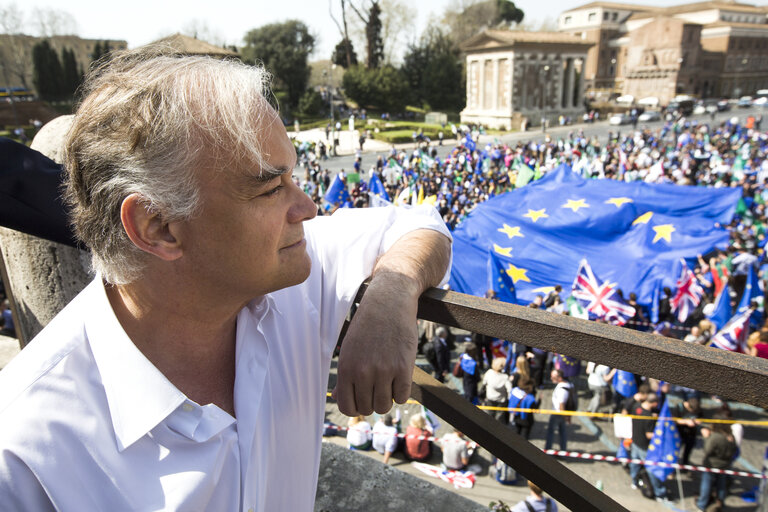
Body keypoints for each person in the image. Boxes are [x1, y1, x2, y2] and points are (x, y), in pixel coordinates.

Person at [0, 49, 452, 511]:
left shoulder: (289, 278)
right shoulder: (22, 457)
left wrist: (392, 292)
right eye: (271, 188)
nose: (307, 209)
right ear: (158, 226)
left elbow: (419, 224)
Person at [629, 393, 669, 502]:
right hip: (644, 447)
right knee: (652, 469)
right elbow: (649, 435)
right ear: (655, 403)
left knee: (634, 464)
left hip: (635, 441)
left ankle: (634, 481)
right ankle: (659, 492)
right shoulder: (649, 417)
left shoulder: (636, 407)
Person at [696, 417, 737, 511]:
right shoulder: (731, 437)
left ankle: (702, 504)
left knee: (706, 485)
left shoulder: (716, 437)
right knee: (721, 485)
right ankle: (720, 502)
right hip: (724, 465)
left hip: (711, 465)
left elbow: (707, 450)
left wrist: (706, 438)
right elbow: (734, 450)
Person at [544, 369, 572, 451]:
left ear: (559, 378)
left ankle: (548, 450)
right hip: (560, 413)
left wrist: (566, 417)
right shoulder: (566, 385)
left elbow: (561, 404)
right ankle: (563, 450)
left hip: (557, 413)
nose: (551, 378)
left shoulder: (562, 389)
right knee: (562, 432)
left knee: (551, 432)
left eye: (553, 377)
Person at [482, 357, 512, 424]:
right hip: (501, 400)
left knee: (489, 414)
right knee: (499, 417)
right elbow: (509, 390)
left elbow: (484, 383)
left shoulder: (489, 373)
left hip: (490, 397)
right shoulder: (505, 377)